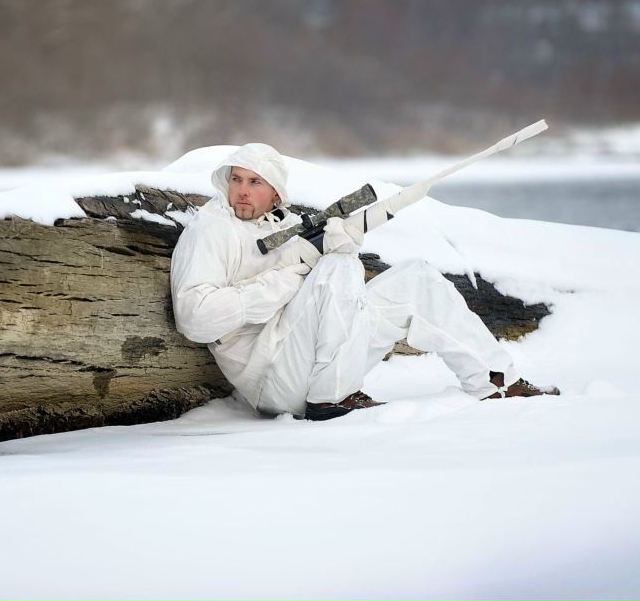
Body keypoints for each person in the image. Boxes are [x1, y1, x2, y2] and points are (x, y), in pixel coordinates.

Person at [169, 142, 558, 421]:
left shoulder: (284, 227)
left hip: (308, 357)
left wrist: (342, 243)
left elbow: (315, 292)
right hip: (271, 381)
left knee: (416, 279)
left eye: (255, 182)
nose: (241, 190)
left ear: (275, 194)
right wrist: (296, 275)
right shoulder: (211, 231)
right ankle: (331, 401)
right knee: (337, 268)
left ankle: (496, 382)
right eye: (236, 179)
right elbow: (195, 319)